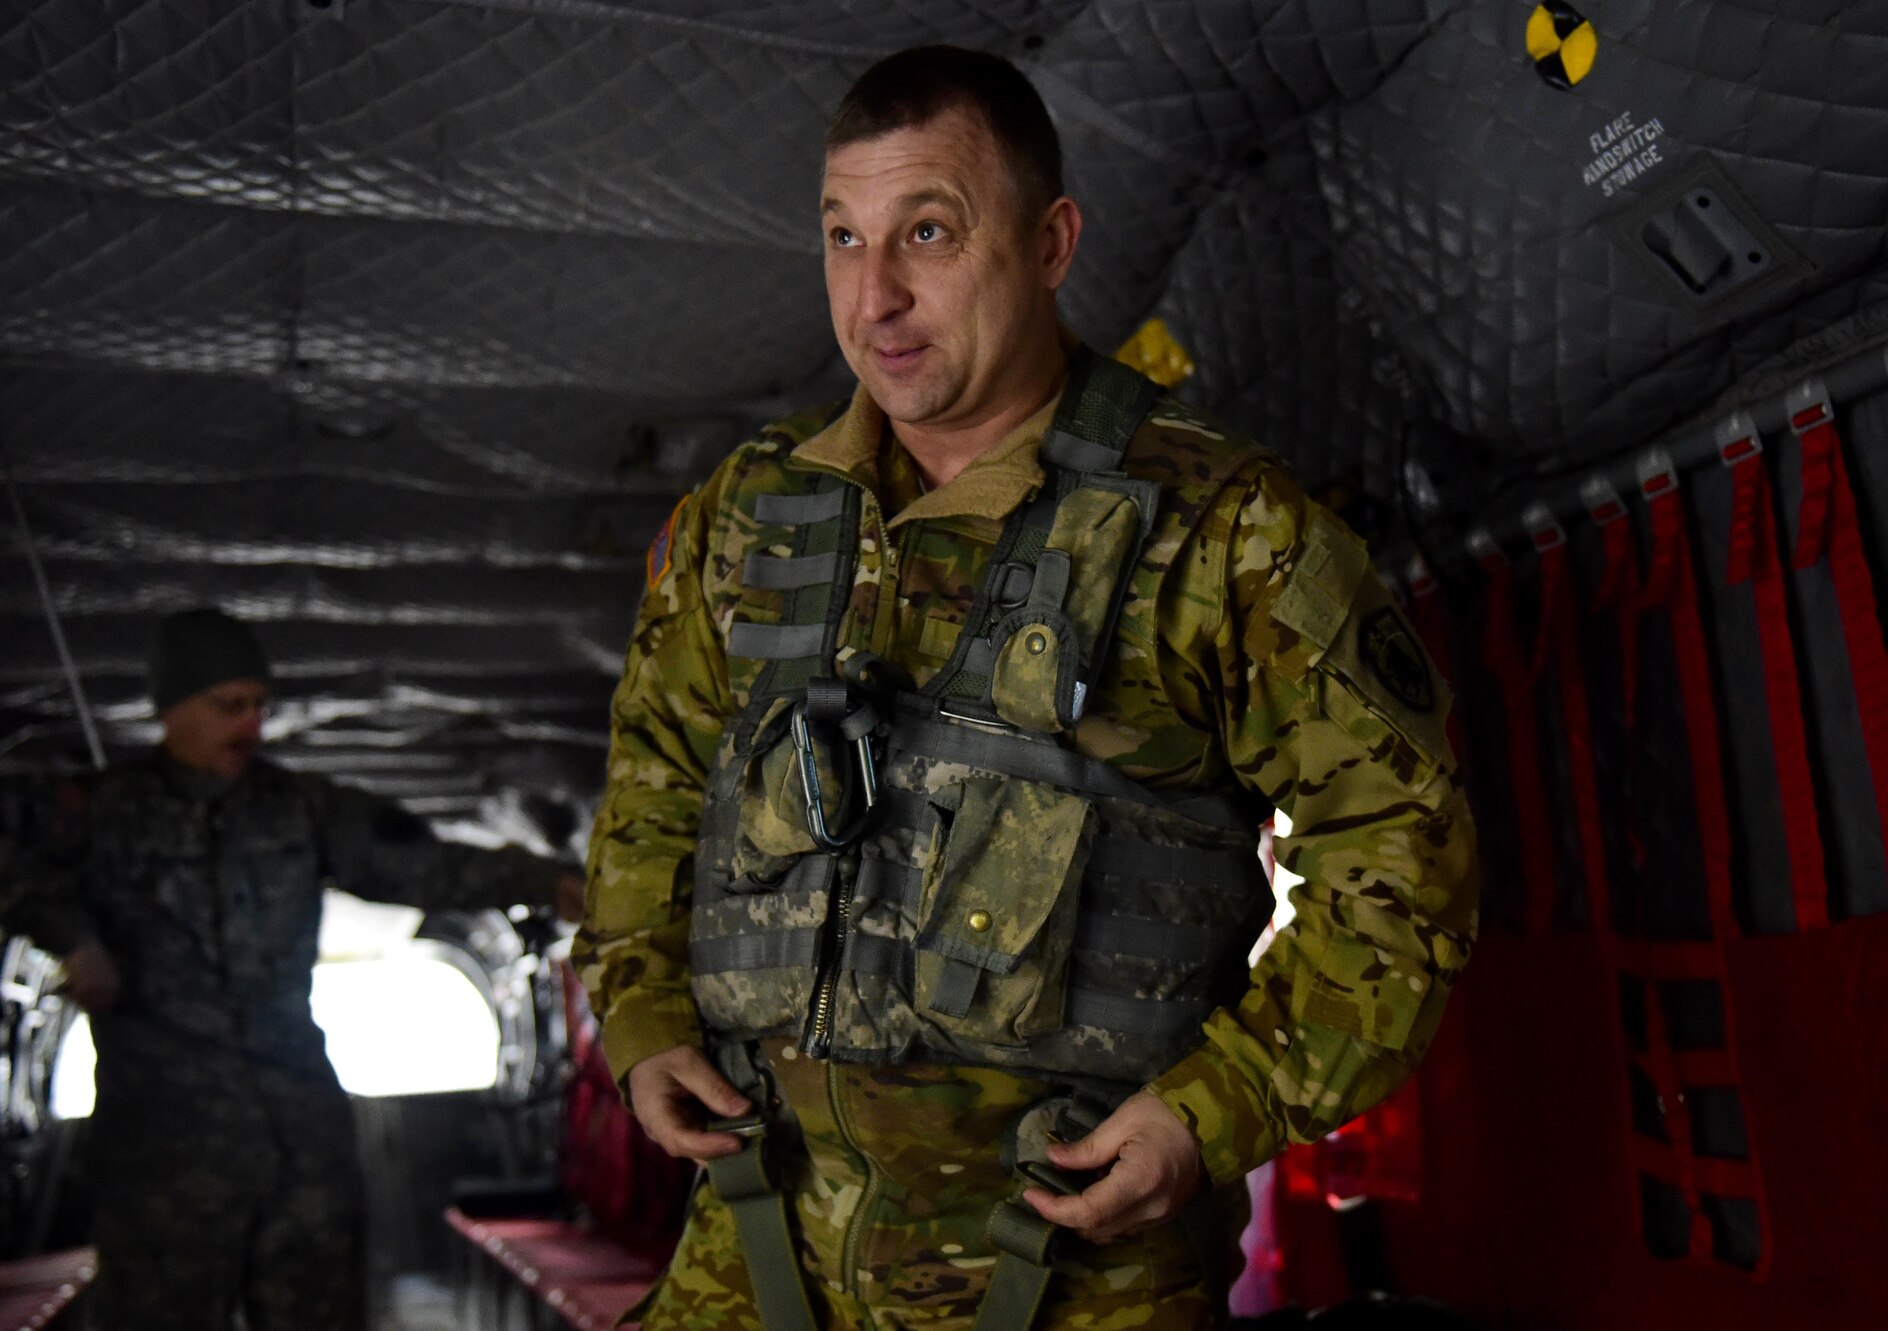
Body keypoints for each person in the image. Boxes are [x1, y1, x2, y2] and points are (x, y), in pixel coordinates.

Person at [575, 44, 1478, 1331]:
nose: (872, 296)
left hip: (1068, 1263)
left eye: (927, 232)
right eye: (842, 235)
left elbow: (1401, 855)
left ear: (1050, 243)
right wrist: (642, 1011)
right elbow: (657, 771)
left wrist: (1211, 1108)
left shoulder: (1224, 532)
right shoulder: (752, 513)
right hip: (758, 1240)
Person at [0, 608, 566, 1331]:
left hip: (301, 1151)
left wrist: (556, 881)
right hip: (164, 1161)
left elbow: (429, 865)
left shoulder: (300, 808)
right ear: (172, 707)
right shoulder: (97, 809)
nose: (251, 724)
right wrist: (67, 933)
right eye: (228, 705)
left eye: (259, 705)